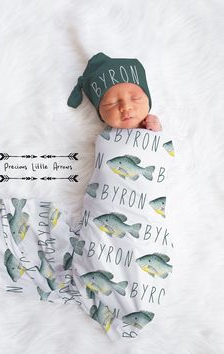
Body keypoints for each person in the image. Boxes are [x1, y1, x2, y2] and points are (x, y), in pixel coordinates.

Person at [67, 52, 175, 340]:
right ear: (101, 114)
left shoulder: (153, 133)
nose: (126, 107)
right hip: (106, 209)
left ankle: (136, 299)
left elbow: (161, 160)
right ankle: (111, 291)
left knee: (141, 253)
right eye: (112, 103)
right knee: (99, 244)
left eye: (135, 98)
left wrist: (154, 135)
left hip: (145, 221)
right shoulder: (106, 139)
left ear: (149, 100)